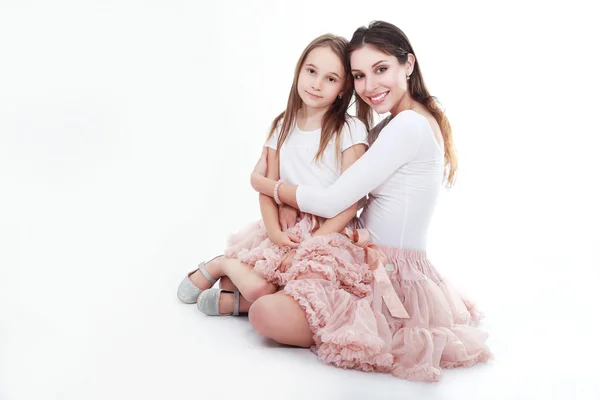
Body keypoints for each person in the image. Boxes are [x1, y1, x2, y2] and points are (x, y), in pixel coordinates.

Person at [248, 21, 492, 382]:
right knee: (278, 268)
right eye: (359, 76)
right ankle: (251, 292)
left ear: (408, 64)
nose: (370, 86)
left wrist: (267, 185)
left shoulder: (408, 126)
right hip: (360, 250)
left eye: (381, 70)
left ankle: (248, 299)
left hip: (388, 272)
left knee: (265, 313)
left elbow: (335, 200)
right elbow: (348, 198)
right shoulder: (393, 124)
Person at [177, 33, 372, 318]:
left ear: (343, 88)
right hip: (285, 226)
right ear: (299, 71)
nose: (317, 84)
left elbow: (350, 202)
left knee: (313, 296)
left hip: (330, 231)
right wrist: (275, 233)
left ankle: (237, 302)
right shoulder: (283, 125)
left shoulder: (350, 128)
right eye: (311, 71)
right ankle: (223, 264)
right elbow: (267, 189)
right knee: (260, 287)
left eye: (331, 79)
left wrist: (310, 245)